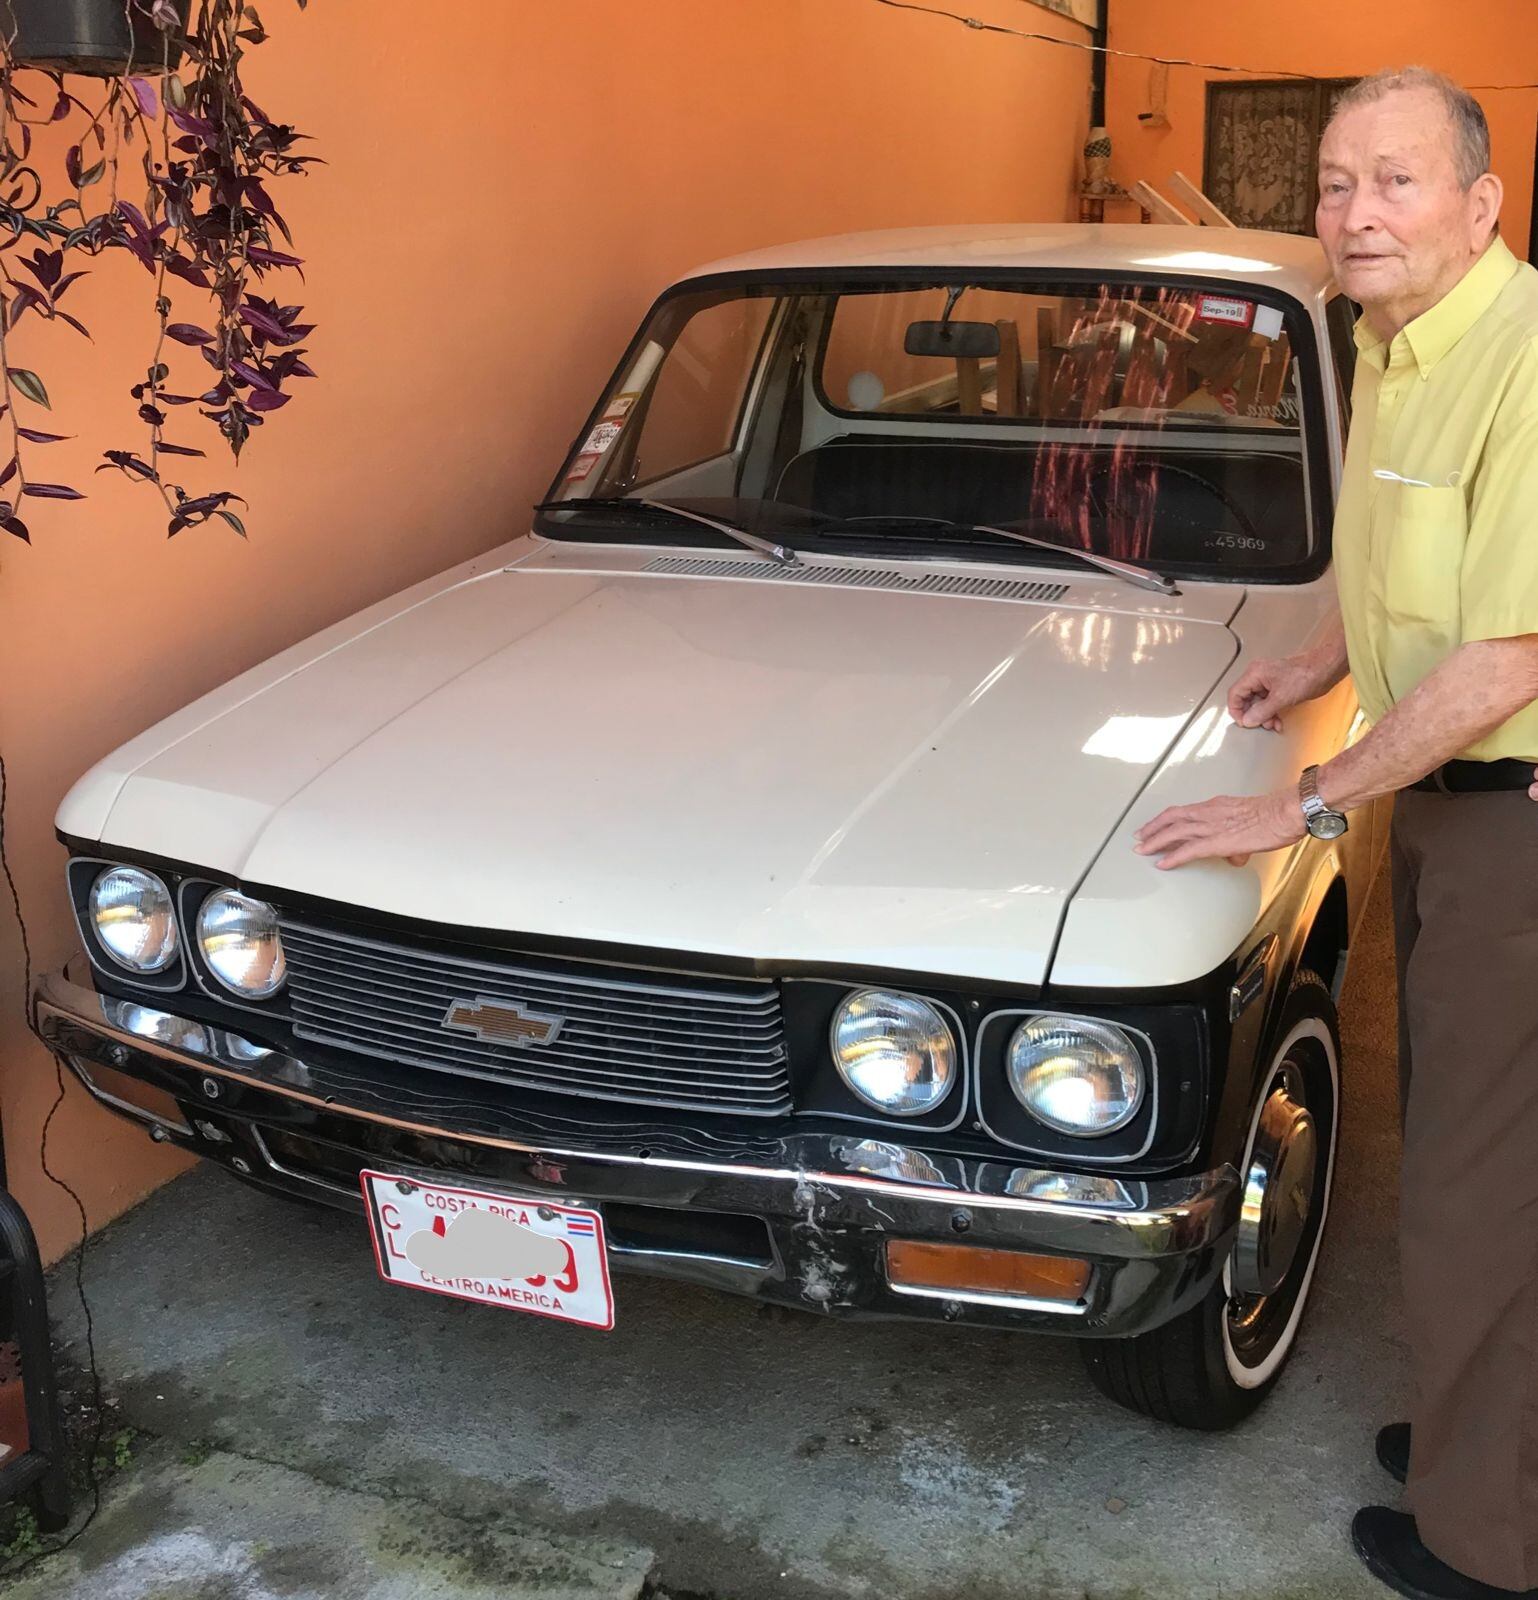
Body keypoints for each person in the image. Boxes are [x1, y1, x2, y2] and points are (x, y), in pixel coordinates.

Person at [1133, 67, 1538, 1600]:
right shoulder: (1390, 341)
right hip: (1443, 808)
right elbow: (1411, 576)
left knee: (1475, 1191)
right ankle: (1478, 1440)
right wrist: (1324, 660)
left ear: (1479, 205)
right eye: (1330, 183)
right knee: (1460, 1156)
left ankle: (1490, 1545)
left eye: (1394, 181)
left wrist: (1302, 794)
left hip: (1509, 821)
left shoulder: (1519, 353)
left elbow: (1506, 656)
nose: (1352, 213)